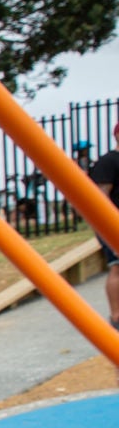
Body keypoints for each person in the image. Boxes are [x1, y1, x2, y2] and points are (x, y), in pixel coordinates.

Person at [88, 119, 119, 329]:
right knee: (117, 268)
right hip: (112, 223)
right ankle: (117, 316)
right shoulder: (108, 162)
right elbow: (100, 197)